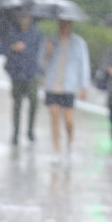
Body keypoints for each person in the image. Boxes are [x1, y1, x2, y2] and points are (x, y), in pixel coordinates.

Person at [40, 19, 90, 160]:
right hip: (52, 85)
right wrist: (48, 52)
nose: (63, 26)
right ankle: (56, 148)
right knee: (54, 116)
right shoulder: (50, 41)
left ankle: (69, 140)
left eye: (66, 24)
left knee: (68, 120)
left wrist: (84, 86)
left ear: (71, 25)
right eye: (61, 23)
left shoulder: (79, 43)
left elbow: (84, 65)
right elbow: (41, 64)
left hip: (68, 86)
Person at [0, 8, 43, 144]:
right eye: (22, 17)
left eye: (27, 17)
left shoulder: (36, 34)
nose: (24, 19)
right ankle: (16, 132)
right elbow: (0, 50)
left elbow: (40, 54)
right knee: (17, 103)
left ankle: (30, 129)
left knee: (34, 100)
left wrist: (42, 74)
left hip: (31, 72)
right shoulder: (11, 33)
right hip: (16, 72)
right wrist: (12, 47)